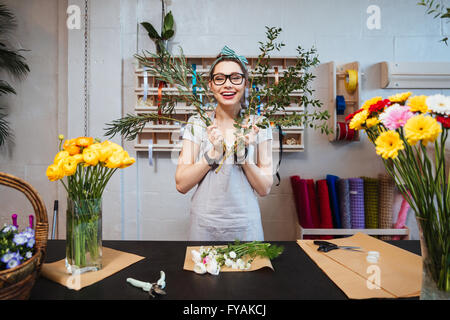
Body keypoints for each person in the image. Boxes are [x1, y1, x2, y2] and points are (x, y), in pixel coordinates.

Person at [175, 46, 273, 241]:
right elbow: (181, 184)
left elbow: (264, 188)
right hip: (204, 225)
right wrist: (213, 153)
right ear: (211, 85)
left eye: (235, 77)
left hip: (246, 226)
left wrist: (243, 157)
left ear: (245, 83)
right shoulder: (198, 123)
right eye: (220, 78)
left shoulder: (258, 125)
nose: (228, 85)